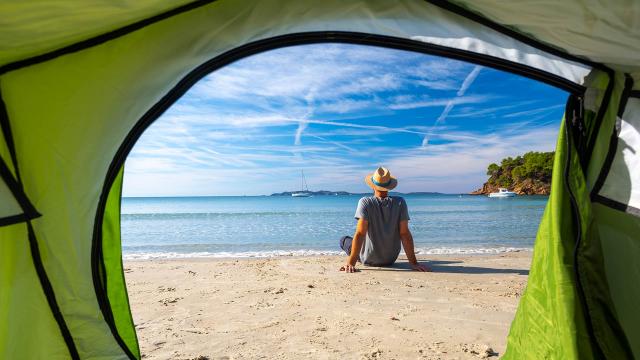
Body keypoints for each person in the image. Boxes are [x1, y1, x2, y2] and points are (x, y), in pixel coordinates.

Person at [339, 166, 431, 273]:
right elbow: (404, 234)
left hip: (368, 259)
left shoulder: (365, 202)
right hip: (390, 259)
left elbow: (360, 234)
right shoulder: (400, 202)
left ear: (373, 186)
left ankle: (355, 257)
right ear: (389, 186)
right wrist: (414, 263)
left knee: (344, 240)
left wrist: (350, 263)